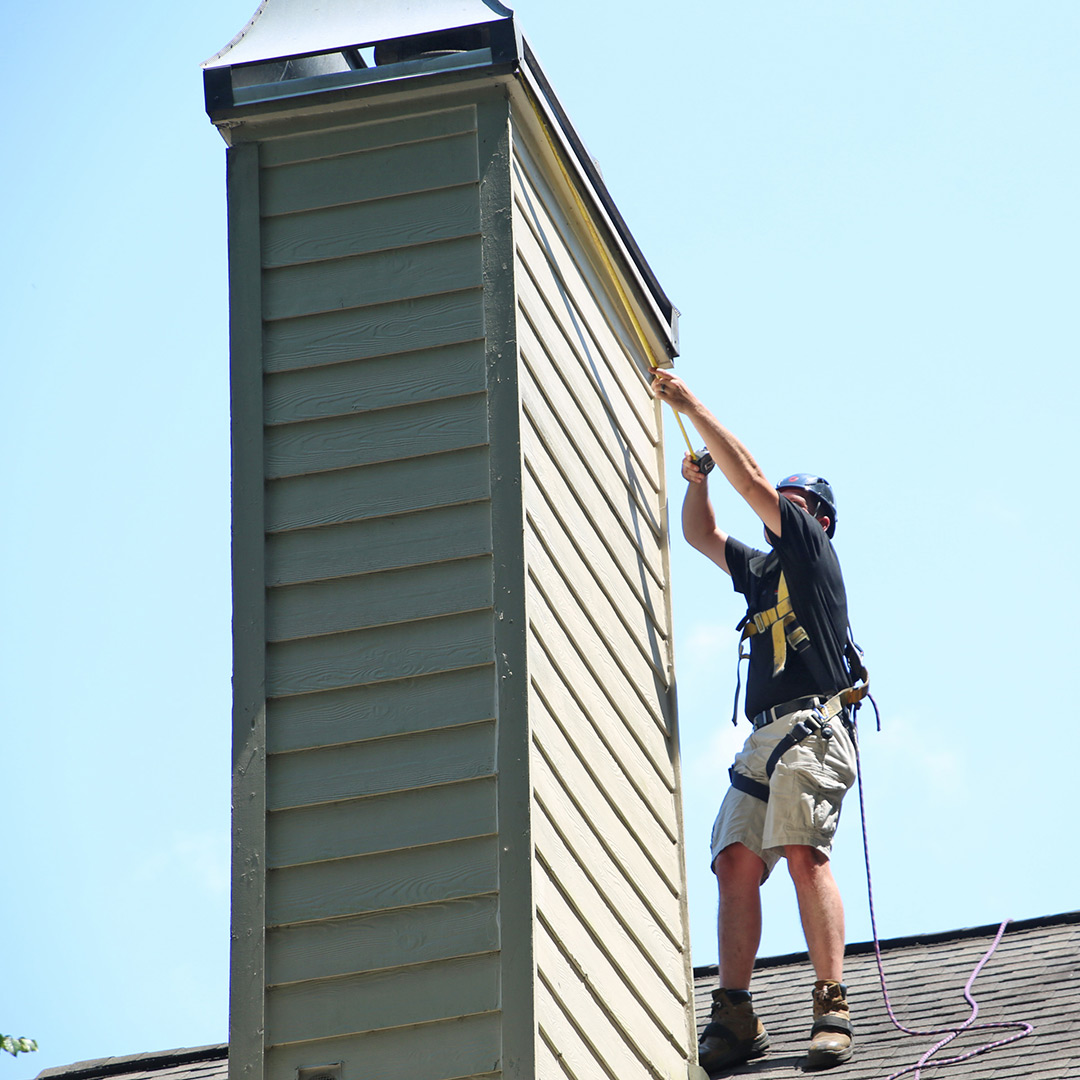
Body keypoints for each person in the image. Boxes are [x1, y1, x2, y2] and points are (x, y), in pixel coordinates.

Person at [652, 368, 858, 1072]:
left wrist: (693, 407)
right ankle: (735, 1013)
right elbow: (703, 535)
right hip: (766, 735)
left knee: (802, 851)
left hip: (812, 727)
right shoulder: (765, 569)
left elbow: (752, 483)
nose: (780, 510)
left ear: (815, 517)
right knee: (734, 859)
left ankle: (830, 1001)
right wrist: (696, 479)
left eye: (792, 503)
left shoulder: (808, 548)